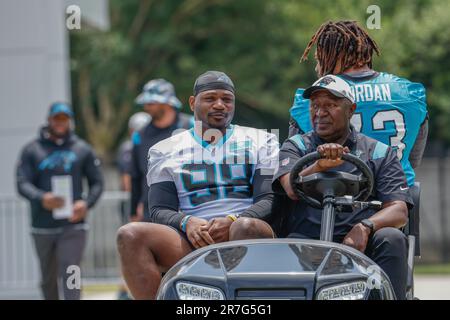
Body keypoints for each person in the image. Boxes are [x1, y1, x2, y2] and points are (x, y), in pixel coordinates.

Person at [117, 71, 279, 299]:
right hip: (193, 237)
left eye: (227, 99)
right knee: (129, 234)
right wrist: (187, 222)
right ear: (193, 103)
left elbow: (270, 199)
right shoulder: (165, 149)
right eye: (211, 98)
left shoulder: (262, 140)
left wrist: (232, 220)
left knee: (245, 227)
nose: (220, 105)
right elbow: (159, 209)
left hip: (246, 231)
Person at [273, 75, 413, 300]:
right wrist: (319, 165)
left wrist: (365, 227)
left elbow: (399, 210)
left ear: (351, 109)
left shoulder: (378, 152)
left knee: (392, 237)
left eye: (330, 105)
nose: (320, 112)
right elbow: (290, 186)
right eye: (315, 105)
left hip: (360, 245)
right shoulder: (296, 146)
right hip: (304, 243)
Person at [289, 20, 428, 186]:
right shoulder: (410, 92)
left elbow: (295, 163)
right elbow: (413, 160)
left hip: (333, 198)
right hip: (396, 195)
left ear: (334, 55)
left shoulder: (312, 100)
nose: (317, 68)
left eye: (319, 59)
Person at [16, 102, 104, 300]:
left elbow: (97, 182)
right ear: (49, 120)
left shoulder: (82, 148)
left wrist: (86, 203)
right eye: (57, 118)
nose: (60, 123)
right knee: (48, 279)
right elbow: (22, 183)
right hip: (42, 226)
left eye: (64, 119)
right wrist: (42, 198)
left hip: (73, 225)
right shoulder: (32, 150)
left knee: (71, 270)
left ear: (70, 121)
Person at [130, 79, 193, 222]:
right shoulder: (139, 135)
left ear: (168, 103)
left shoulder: (191, 126)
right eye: (146, 103)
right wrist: (133, 210)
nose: (146, 107)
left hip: (190, 206)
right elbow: (136, 175)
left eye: (152, 103)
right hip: (153, 209)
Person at [115, 111, 151, 300]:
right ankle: (126, 288)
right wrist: (136, 203)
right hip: (137, 202)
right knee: (131, 245)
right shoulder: (129, 148)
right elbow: (128, 178)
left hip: (146, 201)